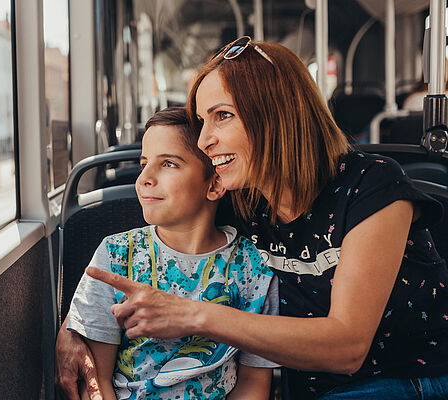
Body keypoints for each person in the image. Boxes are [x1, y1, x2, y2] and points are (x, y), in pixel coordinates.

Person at [56, 38, 448, 400]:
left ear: (277, 113)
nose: (205, 140)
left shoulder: (372, 185)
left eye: (221, 116)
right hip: (316, 387)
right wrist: (76, 327)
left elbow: (346, 346)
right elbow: (175, 221)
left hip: (409, 378)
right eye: (201, 121)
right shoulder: (245, 202)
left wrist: (192, 314)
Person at [65, 106, 279, 400]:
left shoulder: (252, 267)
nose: (145, 179)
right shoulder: (116, 255)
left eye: (169, 164)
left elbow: (253, 383)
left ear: (215, 184)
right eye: (144, 164)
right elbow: (96, 379)